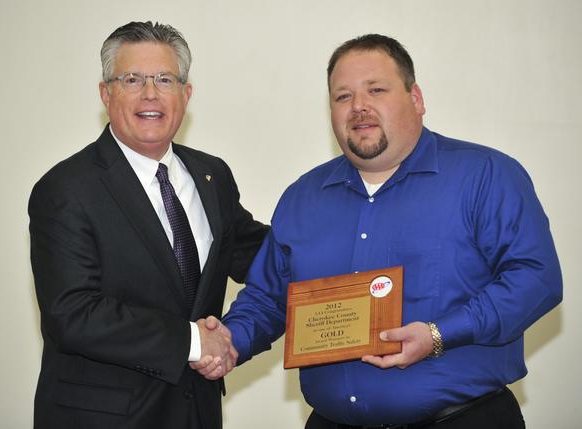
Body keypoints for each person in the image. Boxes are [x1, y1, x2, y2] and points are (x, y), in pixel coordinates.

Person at [194, 34, 562, 428]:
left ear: (416, 98)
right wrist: (228, 342)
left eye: (376, 90)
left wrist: (439, 335)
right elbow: (269, 298)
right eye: (342, 97)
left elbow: (536, 279)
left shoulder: (485, 175)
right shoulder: (302, 197)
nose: (358, 108)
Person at [28, 21, 268, 429]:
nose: (150, 93)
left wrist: (347, 250)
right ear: (106, 93)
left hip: (197, 412)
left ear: (186, 93)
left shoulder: (213, 175)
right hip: (102, 419)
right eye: (132, 79)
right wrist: (195, 341)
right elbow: (72, 313)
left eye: (164, 79)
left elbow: (263, 257)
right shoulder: (66, 189)